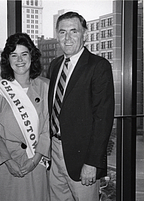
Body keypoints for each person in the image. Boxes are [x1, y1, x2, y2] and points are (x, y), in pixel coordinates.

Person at [47, 11, 115, 201]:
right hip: (55, 152)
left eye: (73, 31)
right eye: (62, 32)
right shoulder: (54, 66)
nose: (67, 38)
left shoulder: (98, 66)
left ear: (84, 34)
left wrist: (92, 162)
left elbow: (103, 118)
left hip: (82, 158)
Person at [0, 32, 51, 201]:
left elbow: (47, 128)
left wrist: (35, 160)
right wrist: (8, 161)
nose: (19, 60)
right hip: (6, 165)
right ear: (8, 59)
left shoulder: (46, 87)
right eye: (14, 55)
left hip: (35, 162)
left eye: (24, 54)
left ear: (32, 57)